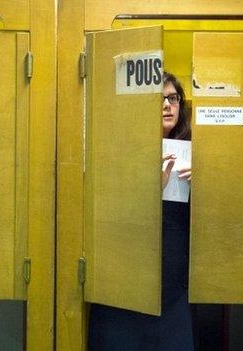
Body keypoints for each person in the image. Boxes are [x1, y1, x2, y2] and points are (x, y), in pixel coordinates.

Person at [88, 72, 194, 350]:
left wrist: (203, 187)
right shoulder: (119, 152)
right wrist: (147, 189)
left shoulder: (195, 152)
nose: (167, 105)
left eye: (173, 98)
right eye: (158, 99)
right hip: (124, 288)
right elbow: (105, 217)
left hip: (171, 291)